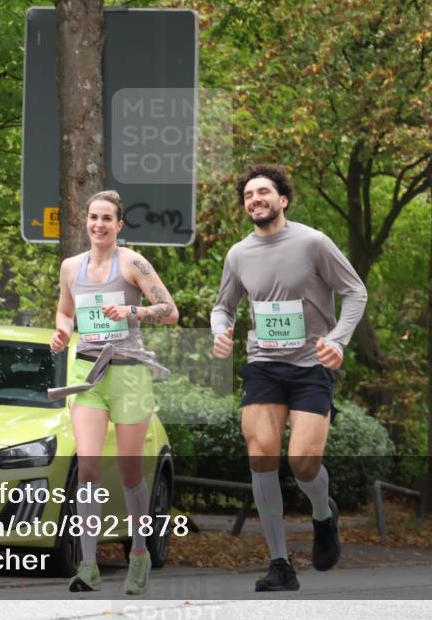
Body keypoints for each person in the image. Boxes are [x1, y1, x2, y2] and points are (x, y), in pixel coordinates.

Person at [211, 165, 367, 592]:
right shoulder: (238, 254)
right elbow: (222, 306)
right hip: (263, 364)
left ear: (283, 199)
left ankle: (323, 512)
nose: (255, 199)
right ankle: (279, 563)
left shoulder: (313, 242)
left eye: (263, 192)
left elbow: (356, 292)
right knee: (261, 456)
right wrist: (219, 331)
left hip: (311, 366)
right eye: (248, 194)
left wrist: (338, 341)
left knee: (303, 463)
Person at [50, 190, 178, 595]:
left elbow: (171, 311)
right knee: (87, 467)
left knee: (128, 469)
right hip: (88, 373)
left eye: (107, 219)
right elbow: (66, 310)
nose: (99, 225)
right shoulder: (72, 266)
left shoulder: (134, 263)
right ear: (85, 221)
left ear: (119, 225)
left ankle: (138, 552)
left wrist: (132, 311)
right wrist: (62, 332)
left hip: (129, 374)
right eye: (93, 218)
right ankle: (88, 564)